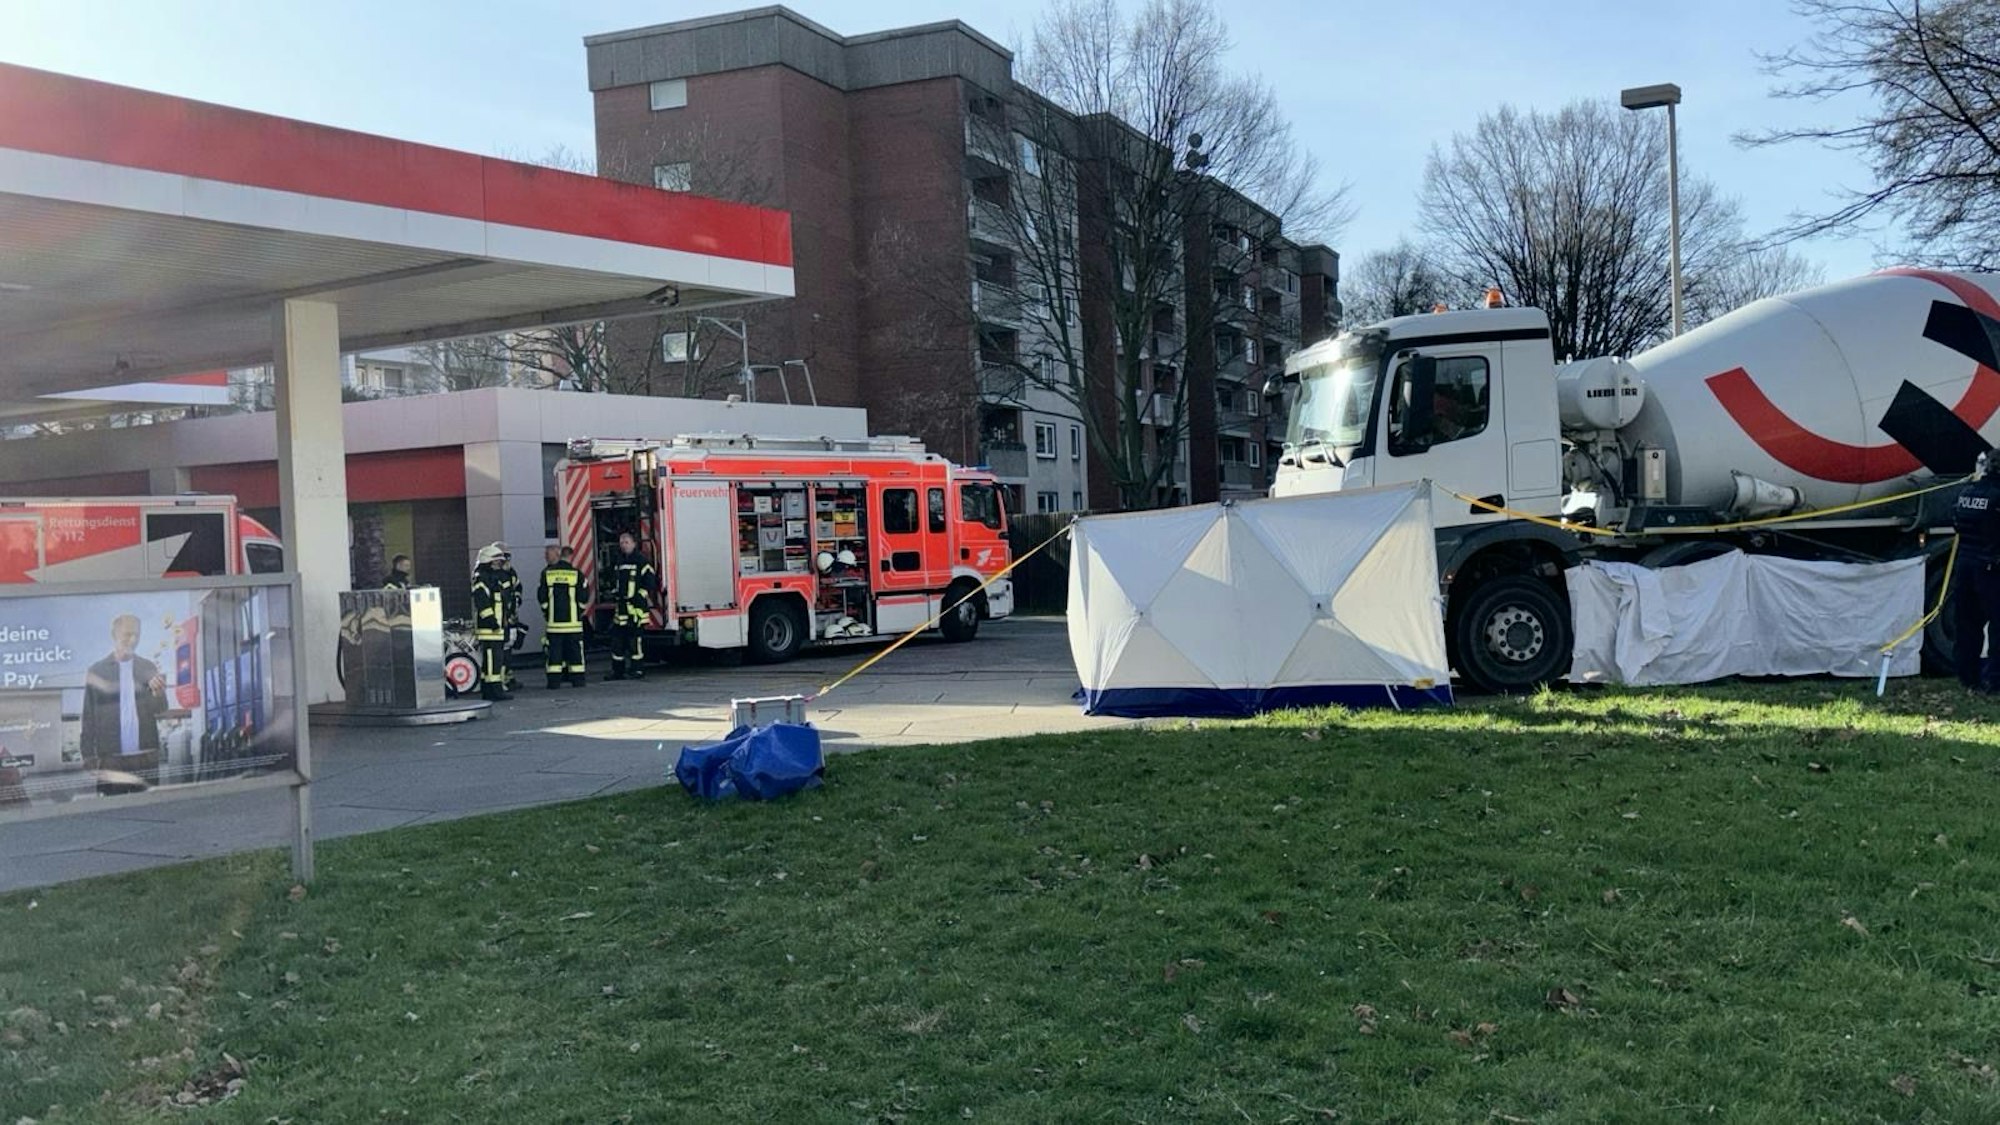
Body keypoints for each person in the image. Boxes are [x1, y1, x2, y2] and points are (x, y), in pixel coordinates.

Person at [80, 613, 169, 783]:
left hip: (145, 757)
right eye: (128, 634)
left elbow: (161, 709)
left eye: (137, 634)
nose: (134, 639)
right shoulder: (97, 671)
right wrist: (88, 756)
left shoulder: (148, 667)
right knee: (114, 807)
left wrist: (158, 694)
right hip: (111, 759)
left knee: (149, 807)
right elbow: (88, 717)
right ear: (115, 635)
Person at [1953, 451, 2000, 691]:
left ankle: (1967, 678)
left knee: (1968, 625)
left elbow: (1956, 523)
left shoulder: (1967, 493)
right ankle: (1995, 680)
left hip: (1965, 564)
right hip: (1992, 566)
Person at [606, 531, 656, 681]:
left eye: (627, 542)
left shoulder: (641, 561)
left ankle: (637, 670)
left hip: (635, 609)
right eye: (621, 542)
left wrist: (639, 596)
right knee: (617, 642)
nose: (624, 545)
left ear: (634, 544)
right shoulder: (619, 561)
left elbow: (650, 582)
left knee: (635, 642)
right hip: (621, 610)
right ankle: (618, 671)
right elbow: (615, 581)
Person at [538, 544, 588, 689]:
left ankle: (554, 682)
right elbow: (584, 596)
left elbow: (542, 596)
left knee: (554, 653)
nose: (546, 556)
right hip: (573, 624)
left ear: (557, 554)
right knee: (575, 653)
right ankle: (578, 681)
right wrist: (578, 612)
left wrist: (547, 613)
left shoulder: (547, 573)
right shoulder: (576, 573)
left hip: (554, 624)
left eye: (548, 553)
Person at [470, 544, 515, 702]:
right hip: (489, 629)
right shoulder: (481, 579)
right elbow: (482, 603)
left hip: (497, 627)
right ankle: (494, 691)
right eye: (496, 562)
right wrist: (492, 622)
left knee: (494, 660)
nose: (499, 565)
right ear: (487, 561)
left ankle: (489, 690)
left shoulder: (493, 578)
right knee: (492, 660)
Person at [491, 543, 525, 691]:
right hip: (501, 618)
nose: (507, 559)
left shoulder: (510, 573)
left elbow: (517, 588)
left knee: (509, 647)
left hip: (510, 615)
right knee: (503, 649)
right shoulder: (495, 575)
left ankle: (508, 677)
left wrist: (516, 601)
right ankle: (502, 680)